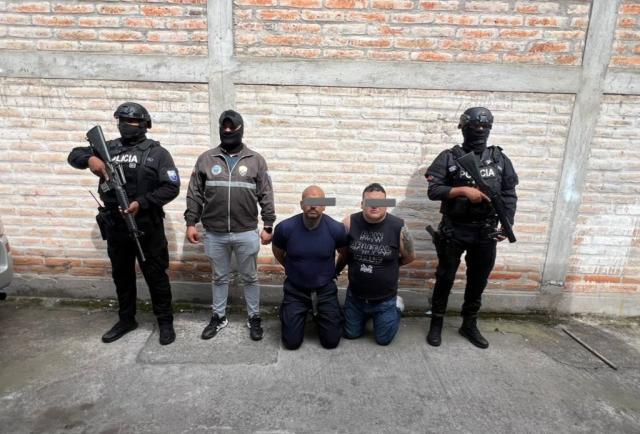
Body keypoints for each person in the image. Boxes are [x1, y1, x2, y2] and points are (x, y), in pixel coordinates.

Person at [68, 102, 180, 345]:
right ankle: (126, 319)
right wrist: (90, 159)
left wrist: (142, 202)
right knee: (122, 275)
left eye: (133, 121)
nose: (127, 125)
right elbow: (73, 155)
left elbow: (171, 187)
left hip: (147, 225)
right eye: (123, 121)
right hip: (116, 225)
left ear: (144, 124)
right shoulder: (108, 148)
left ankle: (165, 321)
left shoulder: (158, 153)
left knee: (156, 275)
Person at [425, 107, 518, 349]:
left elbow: (509, 194)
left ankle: (469, 324)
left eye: (485, 127)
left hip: (486, 231)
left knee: (478, 281)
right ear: (464, 128)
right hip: (454, 230)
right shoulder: (449, 157)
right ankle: (436, 322)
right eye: (475, 126)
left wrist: (507, 223)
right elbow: (434, 190)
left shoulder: (499, 159)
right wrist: (462, 191)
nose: (480, 131)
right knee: (445, 278)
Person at [185, 109, 275, 341]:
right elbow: (194, 193)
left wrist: (268, 224)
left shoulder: (256, 160)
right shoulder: (206, 159)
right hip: (214, 233)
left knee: (250, 278)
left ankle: (254, 317)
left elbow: (266, 193)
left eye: (231, 127)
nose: (227, 131)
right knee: (219, 278)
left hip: (246, 231)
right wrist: (191, 222)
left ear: (240, 129)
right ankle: (219, 316)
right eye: (223, 127)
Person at [336, 183, 416, 346]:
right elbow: (343, 254)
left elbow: (410, 257)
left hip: (385, 300)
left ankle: (397, 306)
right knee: (350, 334)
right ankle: (364, 315)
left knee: (383, 340)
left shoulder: (398, 227)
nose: (374, 206)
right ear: (362, 204)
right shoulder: (349, 223)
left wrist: (388, 267)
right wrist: (335, 271)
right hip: (356, 297)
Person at [272, 185, 347, 350]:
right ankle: (290, 312)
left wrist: (335, 272)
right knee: (291, 343)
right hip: (295, 290)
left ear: (324, 205)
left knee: (331, 342)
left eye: (318, 202)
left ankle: (325, 314)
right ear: (301, 204)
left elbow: (345, 254)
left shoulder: (336, 229)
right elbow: (278, 252)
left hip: (325, 290)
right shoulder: (285, 228)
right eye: (308, 201)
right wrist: (292, 268)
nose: (313, 206)